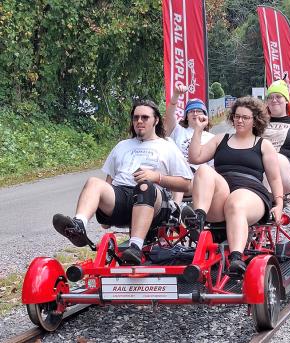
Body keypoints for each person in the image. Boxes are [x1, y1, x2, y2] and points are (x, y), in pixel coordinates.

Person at [53, 99, 193, 265]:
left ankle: (135, 246)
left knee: (144, 186)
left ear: (156, 120)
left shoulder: (167, 146)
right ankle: (78, 226)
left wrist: (157, 177)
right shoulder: (122, 146)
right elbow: (109, 182)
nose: (139, 121)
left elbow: (186, 184)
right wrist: (103, 208)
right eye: (135, 118)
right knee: (93, 182)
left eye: (145, 117)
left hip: (154, 201)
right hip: (122, 197)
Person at [188, 96, 283, 277]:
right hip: (222, 193)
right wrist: (199, 130)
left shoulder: (263, 145)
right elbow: (194, 157)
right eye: (237, 116)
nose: (239, 120)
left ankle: (236, 258)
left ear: (255, 120)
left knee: (236, 202)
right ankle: (198, 219)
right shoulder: (220, 139)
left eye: (245, 117)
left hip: (251, 193)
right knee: (203, 170)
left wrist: (278, 204)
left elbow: (275, 179)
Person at [164, 85, 214, 203]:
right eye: (191, 111)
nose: (195, 113)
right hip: (176, 173)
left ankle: (177, 209)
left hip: (199, 177)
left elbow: (213, 166)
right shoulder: (177, 130)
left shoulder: (211, 138)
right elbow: (169, 115)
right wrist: (176, 95)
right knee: (180, 171)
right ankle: (175, 209)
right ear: (186, 115)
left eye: (199, 111)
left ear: (205, 115)